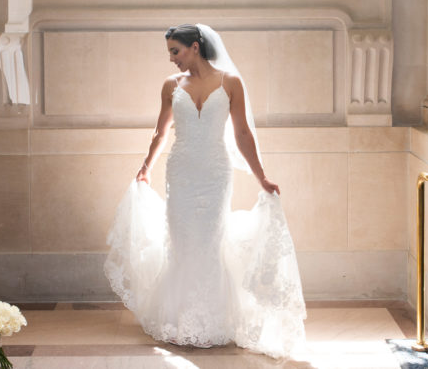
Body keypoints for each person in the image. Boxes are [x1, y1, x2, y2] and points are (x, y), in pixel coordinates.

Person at [104, 24, 306, 359]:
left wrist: (262, 178)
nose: (172, 59)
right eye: (169, 52)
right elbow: (160, 132)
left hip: (215, 173)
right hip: (180, 172)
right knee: (182, 242)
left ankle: (212, 321)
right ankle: (180, 319)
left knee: (211, 241)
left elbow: (242, 134)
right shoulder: (171, 86)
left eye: (175, 51)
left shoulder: (231, 82)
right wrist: (145, 167)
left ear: (195, 47)